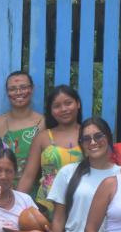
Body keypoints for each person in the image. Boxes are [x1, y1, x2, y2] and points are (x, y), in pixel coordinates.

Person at [47, 117, 120, 232]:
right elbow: (58, 218)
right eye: (86, 139)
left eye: (98, 136)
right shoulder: (68, 172)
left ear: (109, 138)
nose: (93, 142)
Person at [18, 84, 84, 217]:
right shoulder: (43, 138)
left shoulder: (89, 134)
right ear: (51, 111)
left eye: (68, 103)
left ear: (78, 104)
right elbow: (28, 176)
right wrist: (15, 206)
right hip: (47, 206)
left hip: (82, 204)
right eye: (57, 106)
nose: (63, 109)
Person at [0, 70, 45, 175]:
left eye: (23, 87)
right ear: (7, 92)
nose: (18, 92)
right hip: (1, 185)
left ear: (32, 89)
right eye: (12, 89)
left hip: (34, 187)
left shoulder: (43, 123)